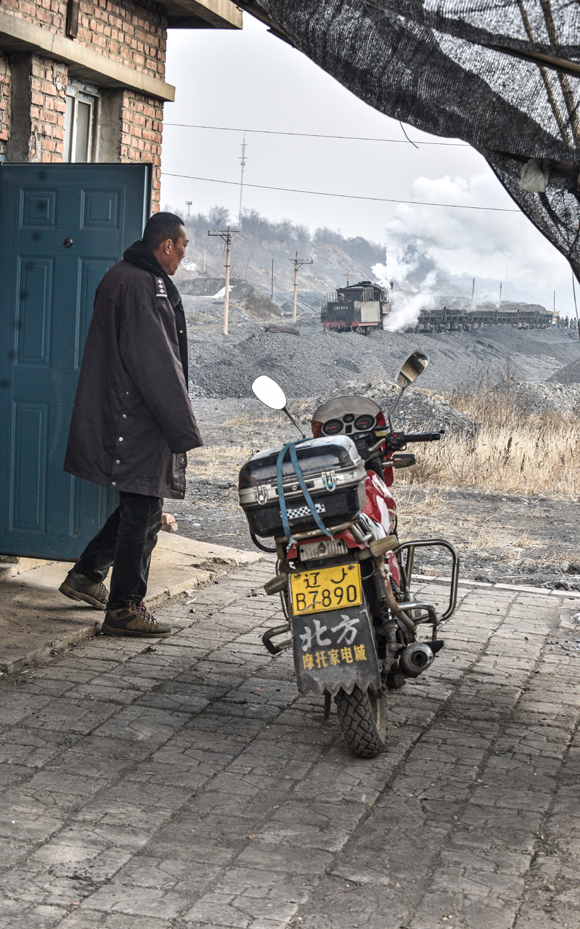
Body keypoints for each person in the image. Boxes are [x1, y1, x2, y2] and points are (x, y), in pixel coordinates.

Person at [59, 212, 203, 637]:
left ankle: (86, 575)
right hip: (137, 418)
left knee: (139, 507)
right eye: (183, 247)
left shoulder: (125, 276)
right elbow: (158, 365)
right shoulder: (145, 285)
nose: (182, 255)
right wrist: (183, 429)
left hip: (127, 411)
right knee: (144, 509)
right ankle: (124, 608)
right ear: (166, 246)